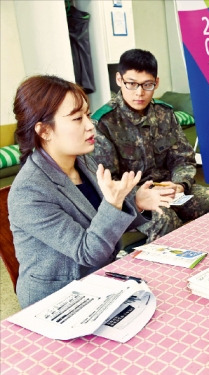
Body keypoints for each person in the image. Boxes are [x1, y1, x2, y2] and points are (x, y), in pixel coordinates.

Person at [8, 75, 173, 308]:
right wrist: (114, 203)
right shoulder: (30, 191)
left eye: (87, 114)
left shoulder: (83, 161)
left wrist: (135, 202)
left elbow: (102, 223)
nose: (90, 125)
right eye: (77, 118)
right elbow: (88, 252)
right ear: (44, 130)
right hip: (59, 299)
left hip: (99, 281)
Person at [93, 49, 209, 242]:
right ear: (119, 80)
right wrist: (140, 196)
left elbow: (183, 158)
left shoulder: (164, 113)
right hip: (132, 200)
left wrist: (180, 184)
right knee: (165, 220)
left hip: (169, 188)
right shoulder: (104, 123)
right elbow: (107, 183)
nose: (139, 92)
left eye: (147, 85)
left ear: (157, 83)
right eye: (131, 84)